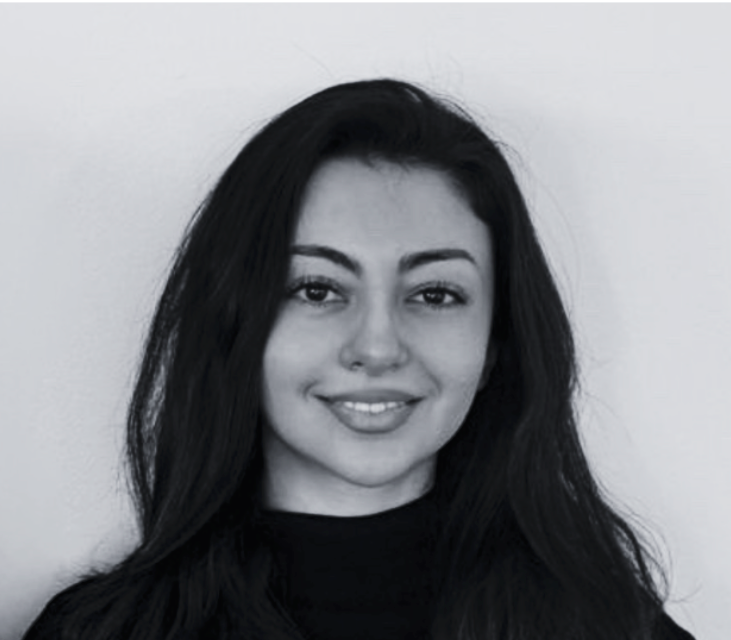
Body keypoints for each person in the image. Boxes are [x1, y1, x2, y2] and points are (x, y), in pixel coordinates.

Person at [23, 79, 695, 640]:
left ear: (497, 343)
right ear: (233, 324)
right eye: (317, 289)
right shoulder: (98, 633)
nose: (377, 347)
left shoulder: (615, 629)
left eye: (434, 294)